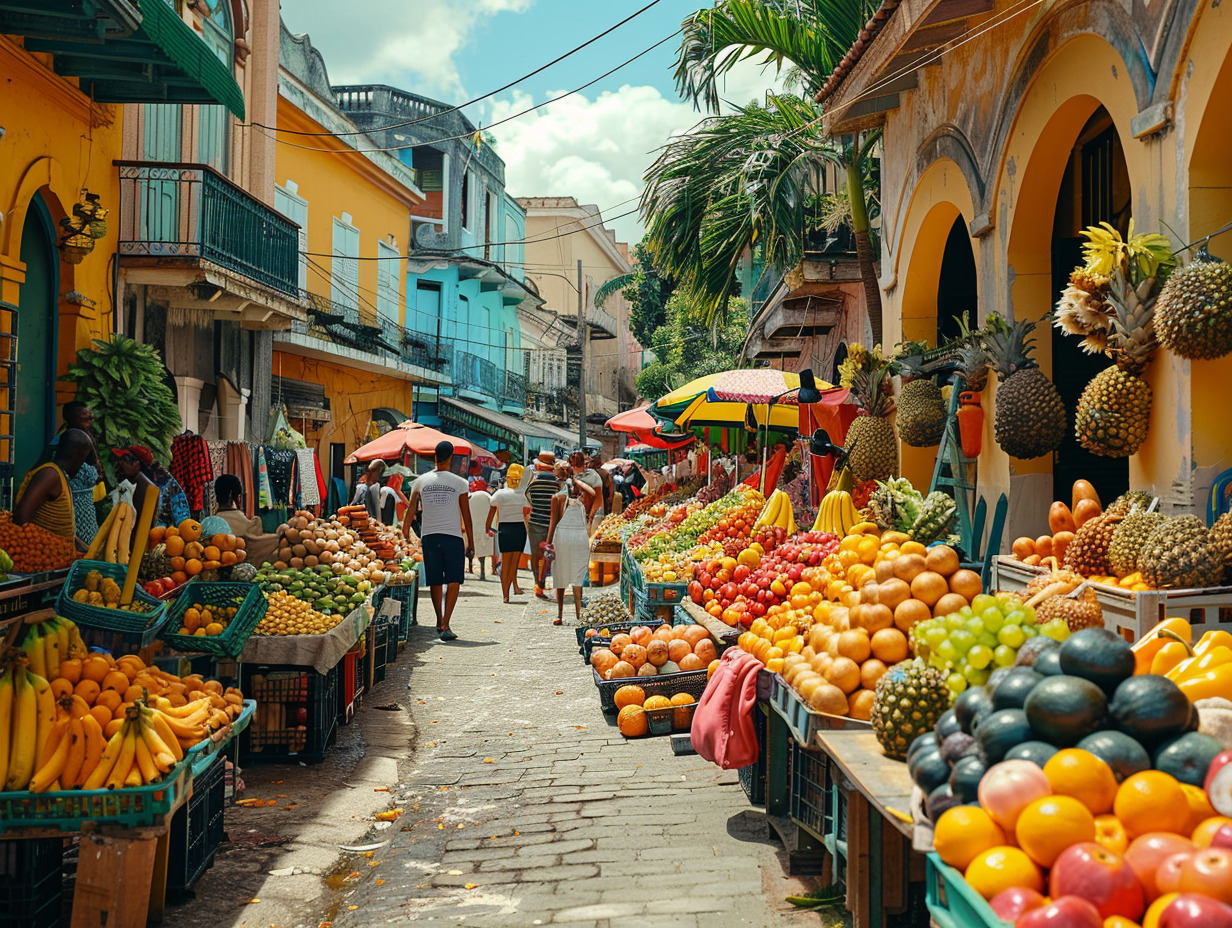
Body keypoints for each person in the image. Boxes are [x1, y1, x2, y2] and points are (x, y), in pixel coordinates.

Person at [403, 441, 473, 641]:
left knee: (435, 579)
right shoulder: (460, 483)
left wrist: (405, 531)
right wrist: (472, 542)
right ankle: (446, 623)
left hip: (429, 537)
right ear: (451, 457)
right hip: (452, 536)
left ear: (434, 456)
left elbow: (410, 510)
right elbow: (466, 515)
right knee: (453, 580)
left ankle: (439, 619)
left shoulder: (420, 481)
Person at [14, 429, 93, 544]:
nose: (82, 465)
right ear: (78, 456)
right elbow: (22, 515)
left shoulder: (60, 475)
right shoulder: (50, 475)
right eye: (83, 459)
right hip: (41, 556)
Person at [546, 469, 590, 625]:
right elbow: (592, 493)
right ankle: (579, 614)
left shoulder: (557, 498)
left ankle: (560, 614)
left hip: (563, 538)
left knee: (561, 574)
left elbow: (553, 523)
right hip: (580, 538)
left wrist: (548, 543)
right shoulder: (584, 499)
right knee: (578, 576)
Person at [486, 466, 530, 603]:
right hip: (519, 529)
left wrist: (487, 526)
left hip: (504, 528)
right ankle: (510, 590)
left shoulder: (500, 494)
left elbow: (492, 507)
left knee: (505, 562)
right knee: (513, 563)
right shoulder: (523, 494)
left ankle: (505, 595)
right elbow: (527, 511)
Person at [213, 474, 278, 565]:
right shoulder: (247, 524)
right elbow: (259, 544)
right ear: (232, 494)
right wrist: (281, 537)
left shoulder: (211, 523)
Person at [524, 451, 561, 599]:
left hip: (535, 522)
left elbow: (528, 500)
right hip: (552, 524)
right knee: (548, 555)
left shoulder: (533, 482)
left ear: (539, 465)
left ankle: (537, 583)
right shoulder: (558, 483)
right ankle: (542, 581)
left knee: (536, 555)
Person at [568, 450, 602, 532]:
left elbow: (598, 497)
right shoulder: (569, 477)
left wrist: (591, 516)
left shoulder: (592, 476)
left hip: (589, 515)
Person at [467, 481, 493, 579]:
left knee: (470, 545)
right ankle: (482, 572)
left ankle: (470, 568)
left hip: (472, 525)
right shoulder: (488, 497)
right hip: (485, 526)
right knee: (483, 547)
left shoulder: (469, 498)